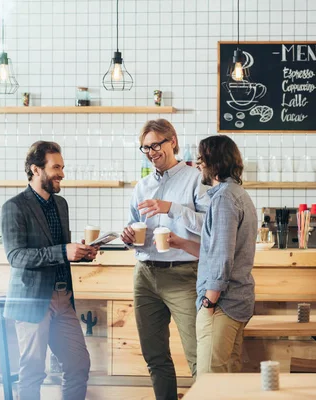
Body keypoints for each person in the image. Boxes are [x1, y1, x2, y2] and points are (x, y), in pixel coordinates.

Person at [120, 119, 210, 400]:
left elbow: (209, 225)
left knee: (199, 356)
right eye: (145, 148)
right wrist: (127, 236)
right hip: (145, 274)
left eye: (156, 144)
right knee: (155, 356)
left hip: (183, 273)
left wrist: (172, 208)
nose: (151, 151)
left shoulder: (197, 178)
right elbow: (137, 227)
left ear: (172, 141)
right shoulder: (142, 186)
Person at [0, 141, 97, 400]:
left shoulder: (60, 204)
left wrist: (81, 253)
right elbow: (16, 256)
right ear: (36, 169)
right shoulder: (15, 206)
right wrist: (63, 251)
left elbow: (59, 251)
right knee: (32, 372)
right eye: (56, 167)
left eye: (62, 167)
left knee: (78, 366)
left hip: (63, 299)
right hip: (33, 301)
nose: (62, 173)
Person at [167, 135, 257, 377]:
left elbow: (222, 258)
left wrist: (209, 301)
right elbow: (216, 250)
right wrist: (181, 243)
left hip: (222, 306)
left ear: (213, 162)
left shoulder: (224, 199)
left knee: (209, 381)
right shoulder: (238, 194)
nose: (198, 166)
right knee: (228, 379)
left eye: (201, 159)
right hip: (237, 302)